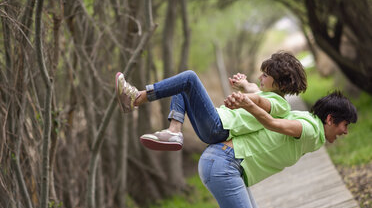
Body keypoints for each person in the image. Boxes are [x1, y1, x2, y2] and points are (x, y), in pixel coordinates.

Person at [196, 90, 357, 208]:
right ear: (330, 119)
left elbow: (269, 105)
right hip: (224, 164)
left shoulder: (309, 123)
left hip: (224, 162)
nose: (346, 131)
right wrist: (248, 104)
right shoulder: (310, 129)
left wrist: (247, 87)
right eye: (345, 124)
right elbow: (273, 123)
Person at [115, 51, 307, 151]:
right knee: (181, 86)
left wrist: (243, 98)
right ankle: (174, 132)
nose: (260, 77)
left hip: (219, 128)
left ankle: (136, 98)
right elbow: (252, 88)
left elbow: (257, 99)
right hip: (215, 129)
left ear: (281, 83)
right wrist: (243, 84)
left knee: (189, 78)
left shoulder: (281, 105)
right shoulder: (267, 93)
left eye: (266, 75)